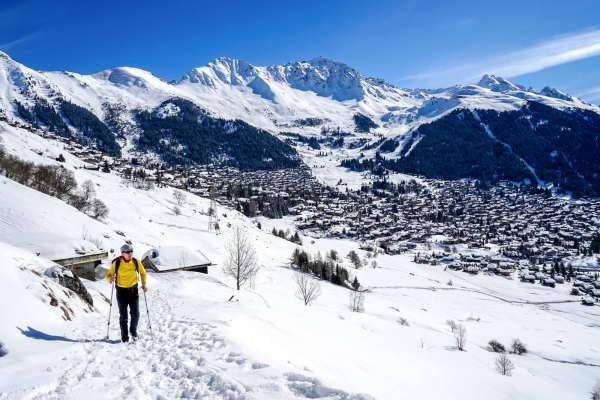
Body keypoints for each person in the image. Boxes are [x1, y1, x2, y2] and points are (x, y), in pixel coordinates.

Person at [105, 244, 148, 343]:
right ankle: (124, 337)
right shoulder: (117, 263)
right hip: (121, 292)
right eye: (127, 252)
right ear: (122, 253)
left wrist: (144, 284)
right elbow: (107, 275)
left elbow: (143, 272)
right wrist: (110, 279)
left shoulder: (136, 262)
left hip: (133, 291)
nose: (130, 254)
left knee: (136, 314)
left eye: (131, 251)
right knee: (123, 317)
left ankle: (133, 331)